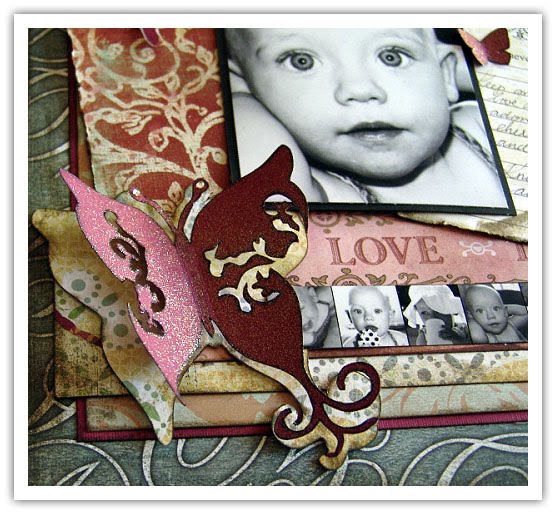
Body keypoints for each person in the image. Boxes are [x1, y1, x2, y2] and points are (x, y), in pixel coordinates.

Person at [225, 28, 507, 207]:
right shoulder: (320, 195)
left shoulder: (482, 128)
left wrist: (453, 78)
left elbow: (517, 80)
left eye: (392, 56)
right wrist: (236, 94)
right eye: (302, 61)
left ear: (445, 71)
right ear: (243, 82)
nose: (360, 90)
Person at [342, 287, 409, 347]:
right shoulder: (349, 345)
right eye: (358, 311)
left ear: (390, 316)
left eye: (377, 311)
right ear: (350, 317)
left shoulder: (402, 340)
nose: (368, 317)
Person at [403, 285, 468, 345]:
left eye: (438, 310)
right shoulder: (423, 337)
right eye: (424, 313)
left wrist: (460, 340)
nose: (433, 317)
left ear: (452, 311)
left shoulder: (464, 329)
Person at [462, 284, 528, 343]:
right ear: (471, 316)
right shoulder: (485, 337)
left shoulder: (510, 325)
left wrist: (504, 310)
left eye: (496, 308)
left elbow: (526, 313)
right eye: (480, 311)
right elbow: (475, 335)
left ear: (505, 311)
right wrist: (471, 319)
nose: (490, 316)